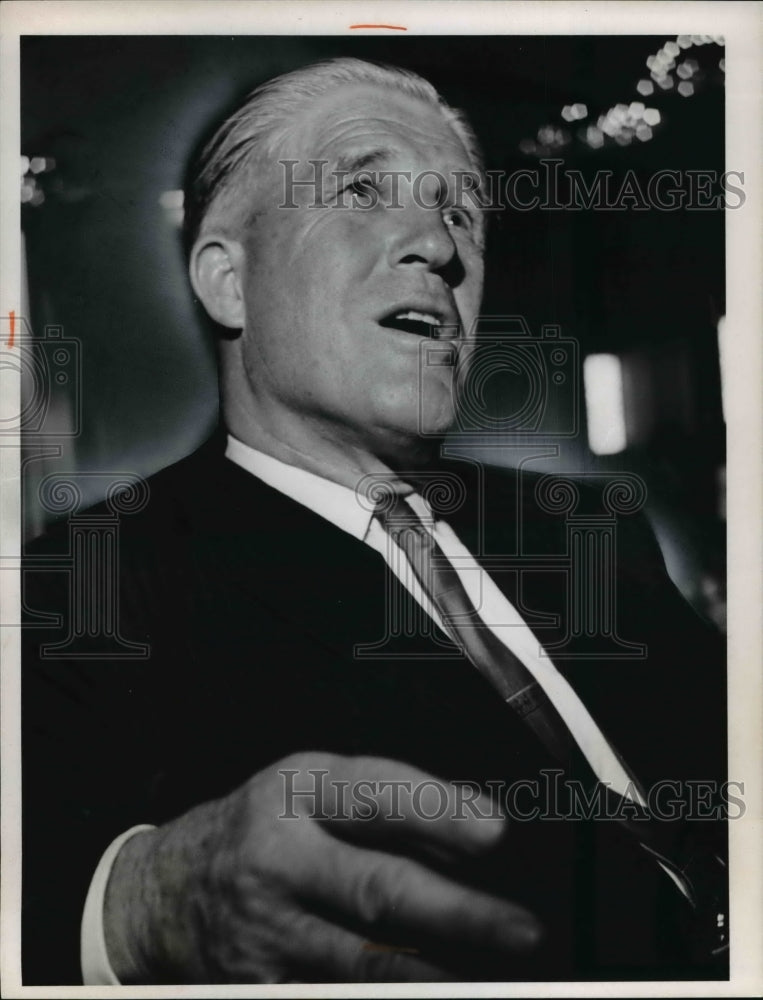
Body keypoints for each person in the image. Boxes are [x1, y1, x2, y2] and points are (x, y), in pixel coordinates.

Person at [21, 57, 727, 985]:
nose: (440, 246)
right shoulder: (91, 578)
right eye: (361, 187)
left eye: (461, 213)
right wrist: (139, 904)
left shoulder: (589, 528)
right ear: (227, 282)